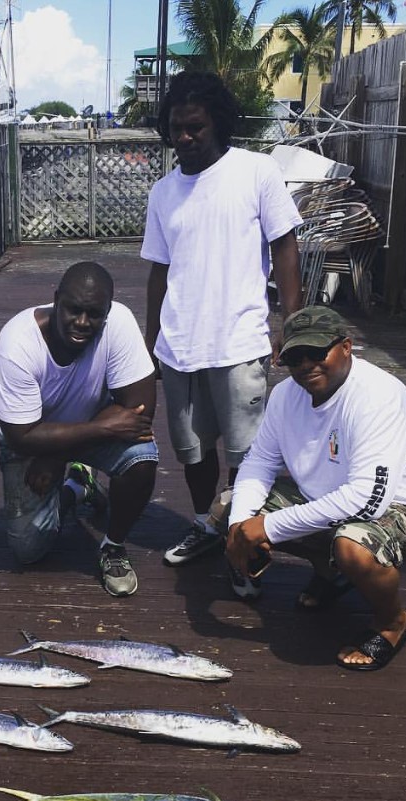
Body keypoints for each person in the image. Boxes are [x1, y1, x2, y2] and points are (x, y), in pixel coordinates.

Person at [224, 307, 406, 671]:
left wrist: (265, 528)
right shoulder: (285, 396)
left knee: (353, 547)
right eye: (295, 356)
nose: (306, 364)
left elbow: (367, 500)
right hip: (332, 498)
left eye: (317, 352)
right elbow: (260, 461)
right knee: (228, 506)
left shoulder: (378, 396)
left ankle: (392, 623)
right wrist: (240, 525)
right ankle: (332, 574)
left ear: (346, 347)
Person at [141, 70, 304, 570]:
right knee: (192, 454)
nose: (185, 138)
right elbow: (158, 274)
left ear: (218, 125)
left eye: (196, 127)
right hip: (179, 346)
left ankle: (241, 537)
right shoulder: (163, 192)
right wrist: (150, 347)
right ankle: (205, 524)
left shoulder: (257, 172)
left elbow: (285, 248)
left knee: (245, 456)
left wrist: (291, 324)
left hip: (239, 341)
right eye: (177, 129)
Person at [0, 261, 158, 597]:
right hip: (33, 439)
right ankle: (76, 488)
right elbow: (20, 435)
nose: (82, 322)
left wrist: (59, 455)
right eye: (73, 310)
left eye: (94, 314)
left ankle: (112, 547)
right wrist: (54, 453)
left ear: (107, 312)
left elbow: (140, 410)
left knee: (142, 454)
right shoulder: (17, 342)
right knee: (29, 551)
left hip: (86, 429)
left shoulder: (120, 323)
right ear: (56, 300)